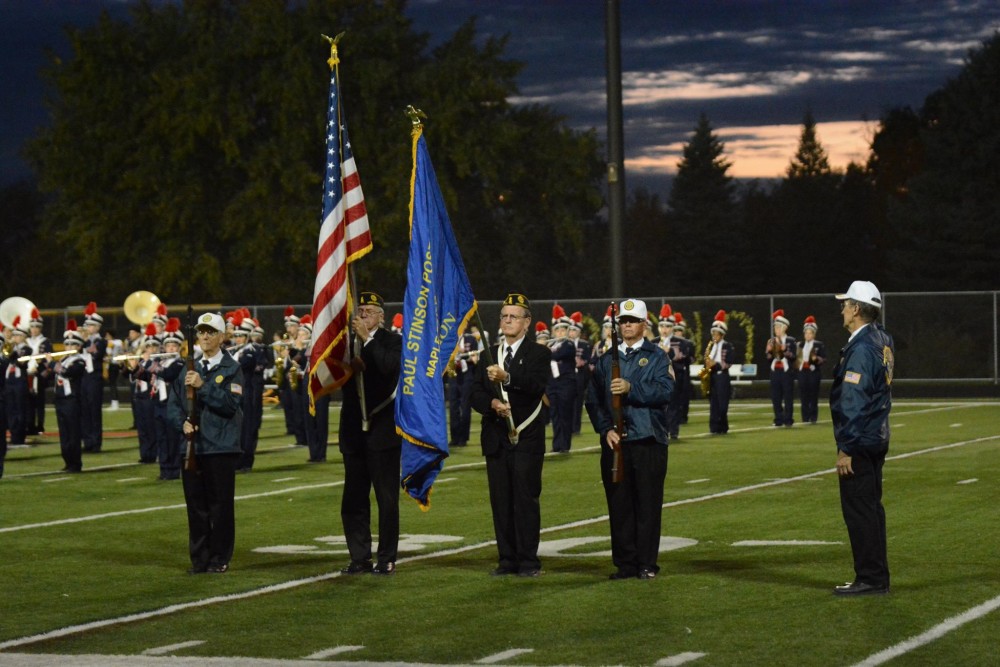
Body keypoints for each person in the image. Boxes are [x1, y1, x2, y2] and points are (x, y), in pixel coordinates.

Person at [586, 298, 672, 580]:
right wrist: (604, 429)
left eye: (632, 321)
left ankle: (647, 563)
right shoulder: (605, 360)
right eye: (623, 321)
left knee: (647, 504)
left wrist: (631, 388)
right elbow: (593, 400)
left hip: (648, 439)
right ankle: (625, 563)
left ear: (644, 325)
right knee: (619, 505)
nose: (626, 326)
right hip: (616, 442)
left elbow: (665, 391)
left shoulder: (658, 357)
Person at [470, 293, 551, 577]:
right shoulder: (487, 355)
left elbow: (536, 384)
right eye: (504, 316)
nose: (507, 320)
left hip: (526, 438)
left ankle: (528, 561)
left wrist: (507, 379)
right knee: (501, 502)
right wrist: (491, 404)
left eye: (513, 316)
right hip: (496, 438)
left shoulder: (539, 354)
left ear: (527, 322)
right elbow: (475, 393)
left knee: (525, 500)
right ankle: (506, 560)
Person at [831, 281, 893, 596]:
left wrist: (846, 448)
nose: (842, 309)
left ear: (856, 308)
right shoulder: (880, 339)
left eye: (845, 304)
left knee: (860, 509)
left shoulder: (862, 347)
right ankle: (875, 575)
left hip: (862, 439)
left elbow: (853, 401)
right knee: (870, 507)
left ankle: (870, 577)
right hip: (876, 435)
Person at [338, 292, 403, 576]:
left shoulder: (393, 341)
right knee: (353, 497)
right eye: (360, 310)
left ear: (381, 316)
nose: (362, 315)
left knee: (386, 498)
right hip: (353, 429)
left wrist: (367, 339)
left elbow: (390, 366)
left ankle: (386, 556)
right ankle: (359, 556)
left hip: (383, 428)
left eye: (369, 311)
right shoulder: (345, 341)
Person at [177, 312, 244, 574]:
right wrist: (181, 422)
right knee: (196, 507)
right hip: (194, 446)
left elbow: (230, 406)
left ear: (222, 337)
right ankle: (199, 558)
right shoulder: (188, 366)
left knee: (220, 506)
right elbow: (173, 402)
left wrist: (203, 385)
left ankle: (219, 557)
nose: (204, 336)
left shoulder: (232, 369)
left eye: (210, 332)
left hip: (221, 447)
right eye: (201, 332)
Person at [49, 321, 87, 473]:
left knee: (72, 433)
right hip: (60, 400)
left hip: (71, 401)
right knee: (64, 434)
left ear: (78, 347)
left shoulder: (79, 361)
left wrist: (51, 364)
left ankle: (75, 463)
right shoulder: (62, 360)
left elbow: (67, 372)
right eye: (67, 345)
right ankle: (67, 461)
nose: (69, 348)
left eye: (73, 345)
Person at [547, 304, 577, 453]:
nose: (560, 332)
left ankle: (565, 445)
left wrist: (544, 352)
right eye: (557, 330)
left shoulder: (569, 344)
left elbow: (558, 355)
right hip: (552, 384)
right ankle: (556, 444)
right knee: (555, 415)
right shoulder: (551, 344)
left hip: (566, 384)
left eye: (563, 329)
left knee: (565, 414)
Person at [448, 327, 480, 448]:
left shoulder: (471, 339)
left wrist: (462, 353)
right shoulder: (449, 339)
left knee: (465, 406)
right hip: (453, 373)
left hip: (467, 374)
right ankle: (454, 437)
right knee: (453, 406)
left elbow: (475, 359)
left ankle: (463, 438)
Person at [81, 302, 106, 453]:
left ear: (97, 327)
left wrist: (84, 341)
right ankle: (87, 442)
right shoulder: (82, 340)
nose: (88, 328)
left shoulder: (101, 341)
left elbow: (97, 353)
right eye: (87, 325)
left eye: (91, 325)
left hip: (94, 378)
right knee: (84, 410)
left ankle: (96, 442)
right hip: (83, 377)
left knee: (94, 411)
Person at [705, 310, 734, 435]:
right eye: (713, 333)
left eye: (717, 334)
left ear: (722, 335)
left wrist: (716, 364)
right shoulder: (711, 346)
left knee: (722, 404)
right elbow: (706, 358)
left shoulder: (728, 346)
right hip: (712, 377)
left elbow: (729, 362)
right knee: (713, 403)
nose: (714, 336)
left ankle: (723, 426)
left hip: (722, 377)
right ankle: (714, 427)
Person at [766, 309, 797, 427]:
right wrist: (769, 352)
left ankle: (788, 419)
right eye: (775, 327)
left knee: (788, 395)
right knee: (776, 396)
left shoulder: (790, 341)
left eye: (779, 327)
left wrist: (784, 350)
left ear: (784, 328)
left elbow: (793, 356)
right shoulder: (771, 341)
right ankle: (778, 418)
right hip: (775, 371)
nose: (776, 329)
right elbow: (768, 358)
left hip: (786, 371)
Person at [26, 308, 53, 435]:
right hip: (27, 374)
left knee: (40, 402)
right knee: (28, 402)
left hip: (39, 375)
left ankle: (40, 426)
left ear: (40, 328)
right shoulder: (26, 341)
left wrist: (40, 367)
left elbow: (48, 359)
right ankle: (29, 425)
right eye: (32, 327)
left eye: (37, 327)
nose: (34, 329)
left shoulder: (46, 342)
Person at [796, 316, 826, 424]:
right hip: (802, 372)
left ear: (814, 334)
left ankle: (813, 417)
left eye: (810, 333)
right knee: (803, 395)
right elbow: (796, 360)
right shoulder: (800, 344)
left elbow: (823, 359)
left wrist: (816, 359)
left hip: (813, 372)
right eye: (806, 333)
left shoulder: (819, 345)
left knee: (813, 395)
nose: (808, 335)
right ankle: (805, 418)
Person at [568, 311, 592, 435]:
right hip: (568, 376)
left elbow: (589, 359)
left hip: (580, 376)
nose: (571, 332)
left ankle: (576, 428)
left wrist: (582, 362)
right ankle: (568, 426)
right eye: (570, 330)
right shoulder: (564, 343)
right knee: (568, 402)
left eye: (574, 330)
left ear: (578, 332)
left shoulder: (585, 344)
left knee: (578, 403)